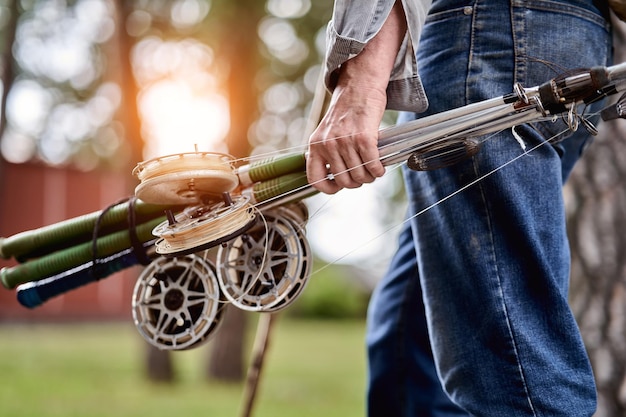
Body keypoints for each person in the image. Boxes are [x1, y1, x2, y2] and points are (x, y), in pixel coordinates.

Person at [307, 0, 612, 416]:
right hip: (576, 40)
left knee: (516, 371)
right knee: (414, 315)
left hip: (484, 37)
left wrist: (360, 82)